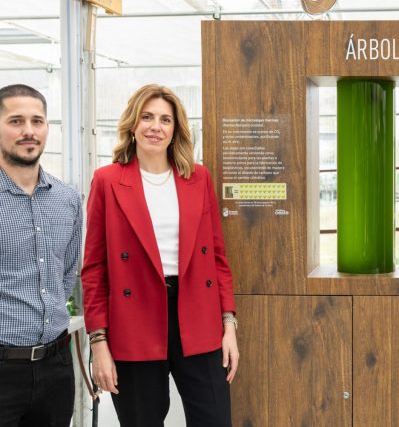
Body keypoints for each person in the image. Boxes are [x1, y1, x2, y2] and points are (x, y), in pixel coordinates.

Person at [81, 84, 238, 427]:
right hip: (134, 319)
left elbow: (217, 258)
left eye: (165, 119)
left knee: (214, 419)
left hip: (198, 315)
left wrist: (229, 325)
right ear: (133, 125)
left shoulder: (198, 177)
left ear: (176, 129)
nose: (156, 126)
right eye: (147, 117)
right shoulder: (107, 180)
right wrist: (99, 343)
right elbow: (94, 269)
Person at [0, 84, 82, 426]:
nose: (29, 131)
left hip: (56, 366)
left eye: (37, 121)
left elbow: (66, 274)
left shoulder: (67, 199)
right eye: (16, 121)